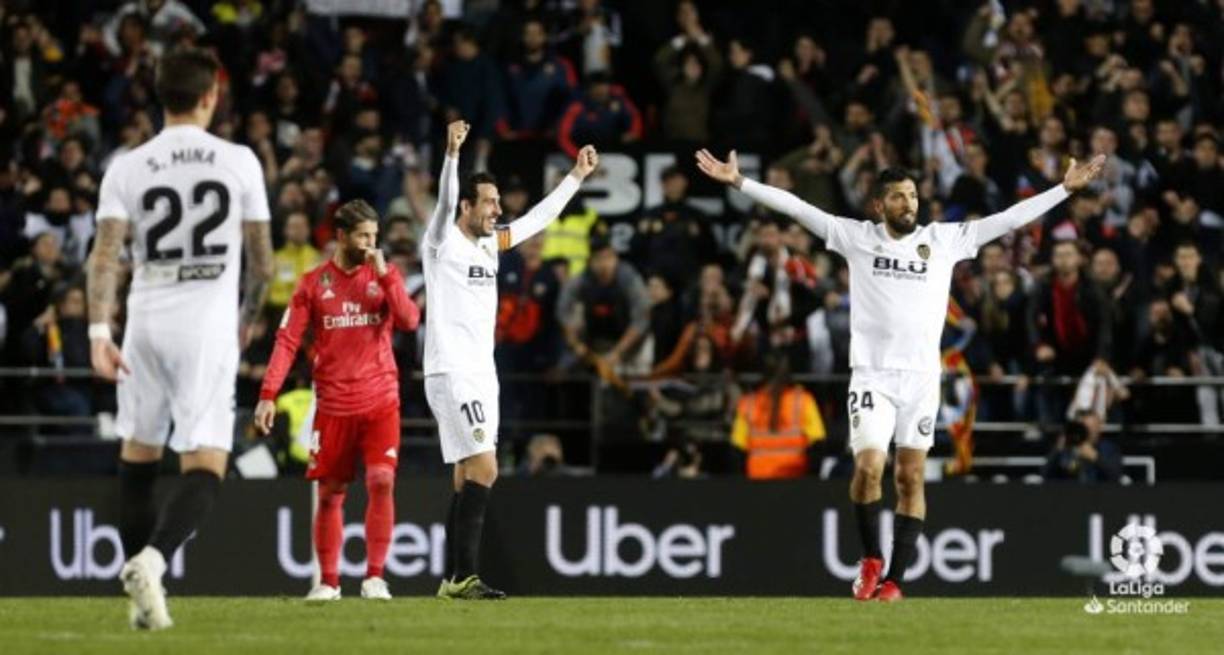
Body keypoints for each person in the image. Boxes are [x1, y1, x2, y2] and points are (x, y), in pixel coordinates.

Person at [695, 147, 1103, 602]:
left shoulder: (944, 240)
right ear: (879, 205)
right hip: (872, 376)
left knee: (910, 478)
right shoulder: (856, 237)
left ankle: (895, 580)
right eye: (898, 197)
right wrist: (739, 182)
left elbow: (1007, 220)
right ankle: (871, 559)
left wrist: (1063, 190)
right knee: (870, 468)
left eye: (912, 195)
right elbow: (798, 207)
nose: (909, 203)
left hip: (922, 380)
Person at [87, 48, 274, 630]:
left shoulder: (128, 165)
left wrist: (98, 329)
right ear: (211, 95)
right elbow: (263, 263)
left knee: (138, 455)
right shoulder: (239, 160)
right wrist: (248, 316)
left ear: (158, 95)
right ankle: (152, 560)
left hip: (144, 322)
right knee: (206, 463)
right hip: (206, 327)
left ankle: (146, 604)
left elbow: (105, 254)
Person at [424, 120, 598, 599]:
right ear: (467, 206)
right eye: (490, 202)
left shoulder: (490, 243)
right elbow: (441, 205)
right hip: (452, 371)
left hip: (483, 373)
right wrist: (452, 155)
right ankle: (464, 577)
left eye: (499, 202)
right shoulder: (442, 243)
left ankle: (453, 579)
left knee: (465, 475)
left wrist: (575, 178)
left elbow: (537, 220)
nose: (499, 209)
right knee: (487, 469)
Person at [254, 199, 421, 601]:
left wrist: (387, 278)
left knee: (382, 481)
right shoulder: (312, 284)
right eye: (363, 236)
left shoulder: (384, 276)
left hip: (381, 398)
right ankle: (328, 582)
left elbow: (410, 320)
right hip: (333, 405)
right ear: (341, 236)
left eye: (375, 236)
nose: (371, 244)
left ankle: (375, 577)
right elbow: (287, 339)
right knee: (330, 493)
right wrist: (268, 394)